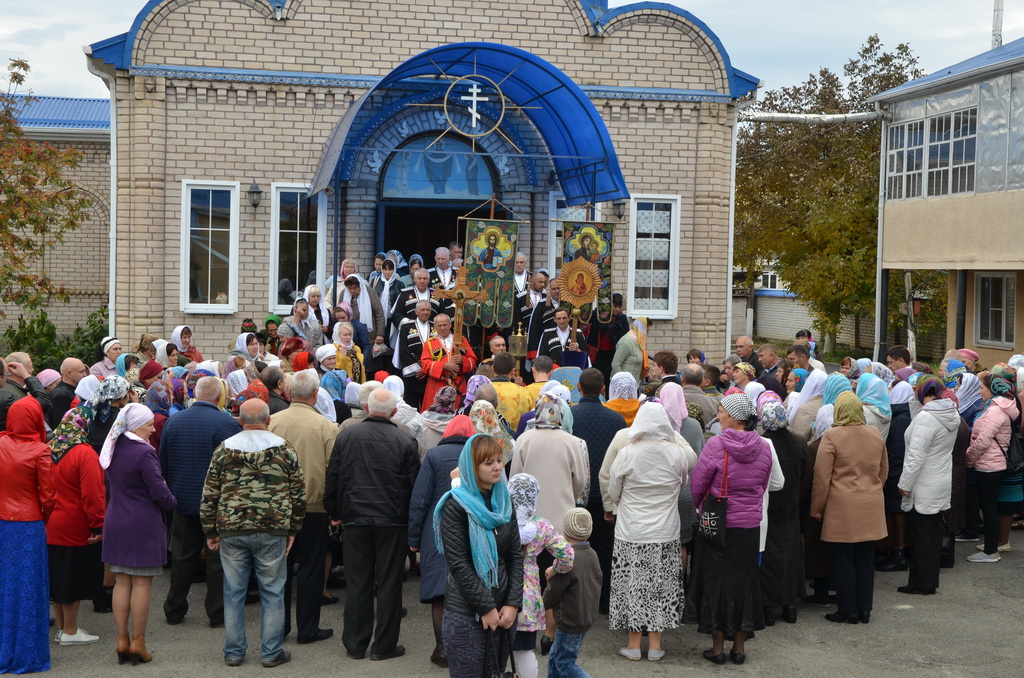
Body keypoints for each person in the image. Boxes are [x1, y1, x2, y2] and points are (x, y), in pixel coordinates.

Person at [201, 399, 306, 668]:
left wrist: (210, 530)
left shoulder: (224, 450)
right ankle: (271, 653)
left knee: (233, 592)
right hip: (273, 528)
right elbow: (297, 492)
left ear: (239, 420)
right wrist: (293, 528)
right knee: (272, 592)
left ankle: (234, 652)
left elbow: (210, 493)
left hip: (232, 528)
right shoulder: (284, 449)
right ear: (269, 420)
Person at [686, 393, 772, 665]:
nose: (718, 415)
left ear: (734, 417)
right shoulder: (765, 447)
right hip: (748, 526)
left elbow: (697, 485)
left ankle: (717, 647)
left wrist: (703, 508)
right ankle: (739, 648)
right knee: (744, 582)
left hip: (720, 524)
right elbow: (763, 483)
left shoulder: (716, 446)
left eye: (722, 411)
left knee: (717, 582)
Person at [435, 434, 523, 678]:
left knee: (496, 672)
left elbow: (515, 556)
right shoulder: (456, 506)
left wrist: (513, 603)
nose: (497, 467)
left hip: (504, 612)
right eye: (488, 463)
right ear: (471, 466)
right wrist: (485, 607)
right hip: (466, 613)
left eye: (498, 460)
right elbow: (459, 565)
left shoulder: (505, 503)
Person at [609, 402, 689, 661]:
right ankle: (655, 645)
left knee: (633, 584)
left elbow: (613, 491)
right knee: (660, 587)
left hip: (631, 529)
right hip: (665, 530)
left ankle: (633, 645)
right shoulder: (677, 453)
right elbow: (681, 484)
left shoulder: (627, 453)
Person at [159, 376, 241, 628]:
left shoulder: (174, 422)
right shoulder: (228, 424)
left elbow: (163, 463)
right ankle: (216, 613)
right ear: (218, 397)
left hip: (183, 501)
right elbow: (236, 468)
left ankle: (174, 609)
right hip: (218, 504)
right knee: (217, 561)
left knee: (183, 558)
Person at [101, 403, 177, 665]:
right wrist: (172, 502)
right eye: (148, 424)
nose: (153, 428)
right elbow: (158, 491)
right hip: (143, 522)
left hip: (116, 518)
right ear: (135, 426)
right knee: (142, 584)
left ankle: (121, 639)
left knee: (121, 583)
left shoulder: (112, 446)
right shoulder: (143, 452)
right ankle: (138, 642)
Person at [268, 370, 339, 644]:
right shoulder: (326, 426)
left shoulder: (272, 422)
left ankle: (279, 626)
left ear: (289, 393)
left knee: (279, 568)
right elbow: (333, 470)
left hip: (278, 506)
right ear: (314, 395)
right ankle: (307, 629)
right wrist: (334, 509)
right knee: (310, 567)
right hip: (314, 507)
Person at [810, 391, 888, 624]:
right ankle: (865, 609)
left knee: (844, 560)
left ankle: (847, 610)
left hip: (842, 506)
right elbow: (884, 470)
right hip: (871, 504)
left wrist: (817, 507)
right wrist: (873, 489)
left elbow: (822, 477)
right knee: (865, 559)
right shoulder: (875, 434)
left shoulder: (832, 435)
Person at [407, 416, 476, 667]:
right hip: (472, 528)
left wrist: (413, 538)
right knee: (470, 588)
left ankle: (442, 649)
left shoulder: (435, 456)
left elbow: (420, 498)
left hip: (437, 530)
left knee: (440, 592)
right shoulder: (477, 455)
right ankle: (466, 646)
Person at [0, 398, 55, 674]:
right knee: (28, 588)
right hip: (29, 525)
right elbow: (48, 496)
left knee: (4, 586)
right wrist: (43, 517)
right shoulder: (40, 450)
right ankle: (25, 653)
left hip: (2, 523)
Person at [47, 407, 106, 646]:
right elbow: (93, 495)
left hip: (49, 521)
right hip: (75, 523)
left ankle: (62, 628)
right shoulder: (84, 453)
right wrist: (98, 525)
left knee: (58, 578)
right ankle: (70, 631)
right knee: (71, 579)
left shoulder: (48, 449)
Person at [506, 473, 575, 678]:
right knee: (525, 651)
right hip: (527, 596)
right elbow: (568, 555)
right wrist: (555, 569)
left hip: (500, 590)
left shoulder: (498, 521)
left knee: (498, 650)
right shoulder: (541, 526)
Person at [571, 368, 626, 613]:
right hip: (605, 494)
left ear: (579, 388)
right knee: (605, 546)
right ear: (603, 389)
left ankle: (577, 598)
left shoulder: (570, 416)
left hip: (577, 492)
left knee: (575, 545)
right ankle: (604, 600)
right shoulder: (615, 419)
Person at [896, 375, 957, 594]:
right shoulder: (947, 412)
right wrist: (915, 398)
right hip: (939, 481)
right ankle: (930, 581)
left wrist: (905, 484)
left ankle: (919, 583)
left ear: (924, 392)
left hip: (923, 484)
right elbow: (918, 418)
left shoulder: (927, 418)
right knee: (931, 535)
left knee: (919, 537)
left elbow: (915, 456)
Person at [757, 400, 806, 625]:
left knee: (768, 553)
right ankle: (790, 605)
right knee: (791, 551)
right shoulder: (798, 442)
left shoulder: (764, 444)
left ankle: (768, 607)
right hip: (791, 503)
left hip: (768, 503)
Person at [543, 508, 602, 678]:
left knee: (564, 663)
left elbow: (555, 591)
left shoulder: (567, 559)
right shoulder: (592, 554)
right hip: (585, 616)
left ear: (566, 530)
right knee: (555, 657)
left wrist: (541, 605)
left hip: (570, 619)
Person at [965, 372, 1017, 563]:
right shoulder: (995, 407)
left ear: (992, 389)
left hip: (989, 466)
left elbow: (982, 441)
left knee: (989, 508)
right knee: (989, 507)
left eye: (982, 388)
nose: (979, 391)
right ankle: (990, 547)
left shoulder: (995, 411)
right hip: (991, 464)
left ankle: (990, 551)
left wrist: (968, 460)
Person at [420, 313, 478, 412]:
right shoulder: (429, 343)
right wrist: (443, 366)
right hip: (437, 385)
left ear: (450, 324)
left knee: (459, 415)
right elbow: (425, 364)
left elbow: (473, 359)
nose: (442, 328)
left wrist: (462, 360)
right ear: (434, 327)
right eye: (439, 325)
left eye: (445, 325)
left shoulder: (461, 340)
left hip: (458, 384)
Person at [396, 300, 433, 410]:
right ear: (416, 311)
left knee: (428, 406)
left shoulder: (435, 326)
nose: (426, 312)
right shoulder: (406, 327)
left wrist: (426, 370)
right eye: (423, 310)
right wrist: (418, 370)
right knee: (411, 406)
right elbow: (403, 350)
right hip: (413, 374)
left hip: (430, 374)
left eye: (428, 310)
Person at [490, 351, 531, 430]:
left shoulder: (483, 390)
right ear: (513, 371)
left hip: (487, 441)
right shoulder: (524, 392)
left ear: (492, 369)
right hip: (516, 440)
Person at [47, 357, 89, 430]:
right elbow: (61, 424)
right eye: (81, 372)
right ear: (69, 373)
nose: (85, 374)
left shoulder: (74, 389)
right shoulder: (61, 395)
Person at [611, 317, 648, 383]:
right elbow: (615, 364)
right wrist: (622, 382)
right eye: (646, 331)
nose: (647, 333)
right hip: (623, 386)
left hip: (633, 385)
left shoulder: (639, 342)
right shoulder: (626, 342)